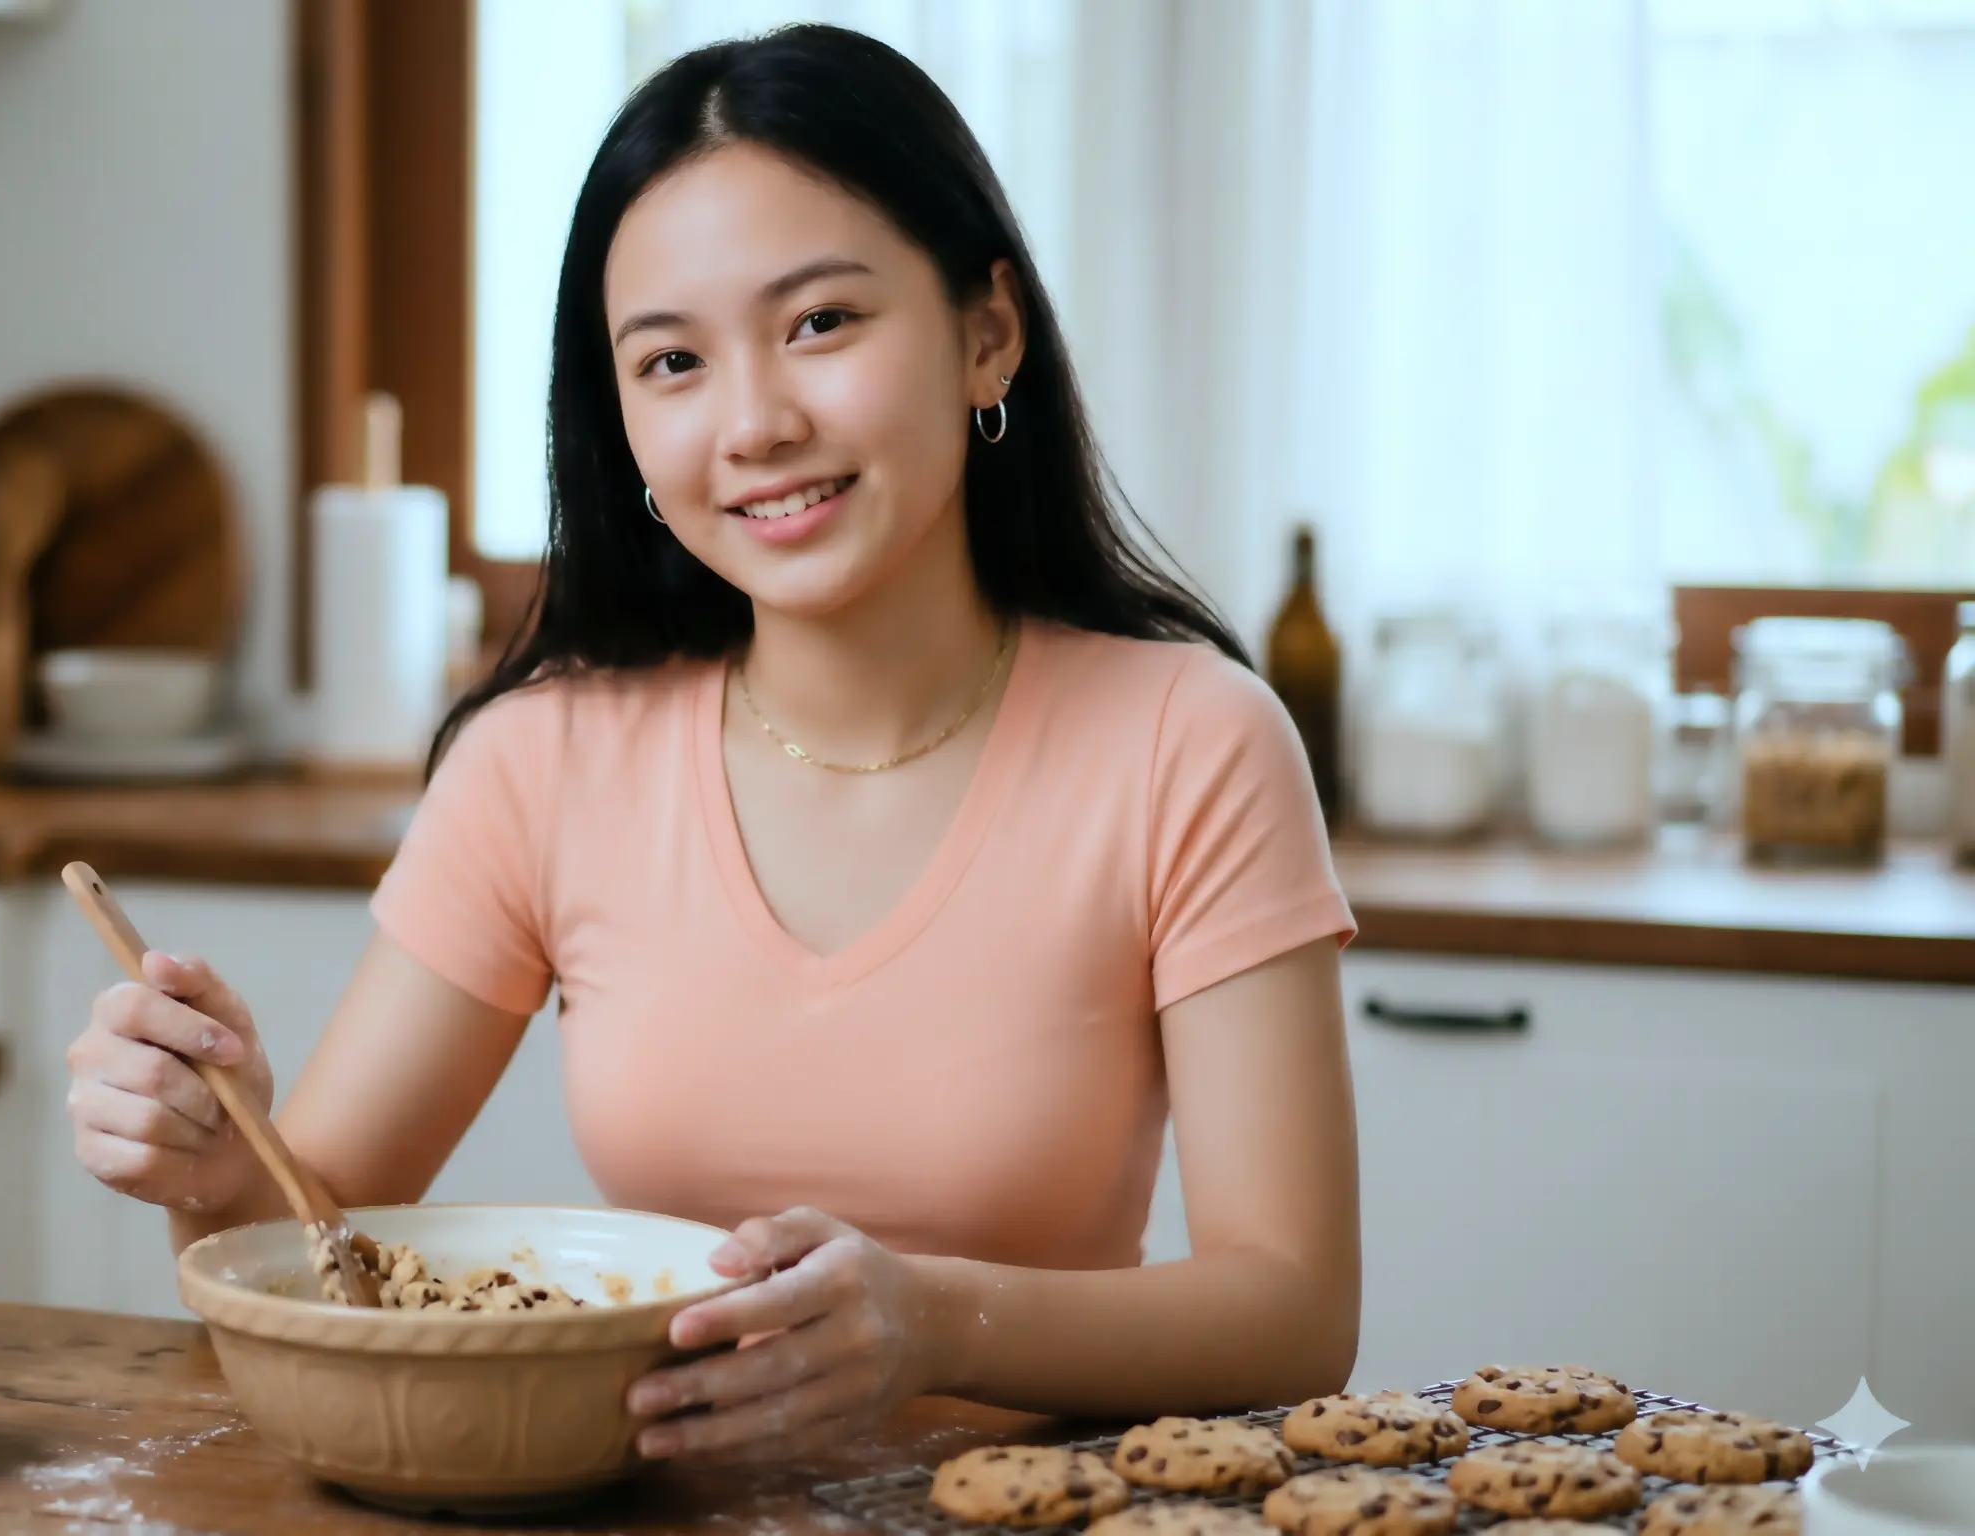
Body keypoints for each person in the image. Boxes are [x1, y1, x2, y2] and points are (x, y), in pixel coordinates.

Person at [66, 23, 1359, 1463]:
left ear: (986, 331)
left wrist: (928, 1323)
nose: (755, 422)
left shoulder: (1192, 742)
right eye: (673, 361)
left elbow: (1293, 1309)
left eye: (821, 323)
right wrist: (199, 1149)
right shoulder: (542, 763)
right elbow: (312, 1247)